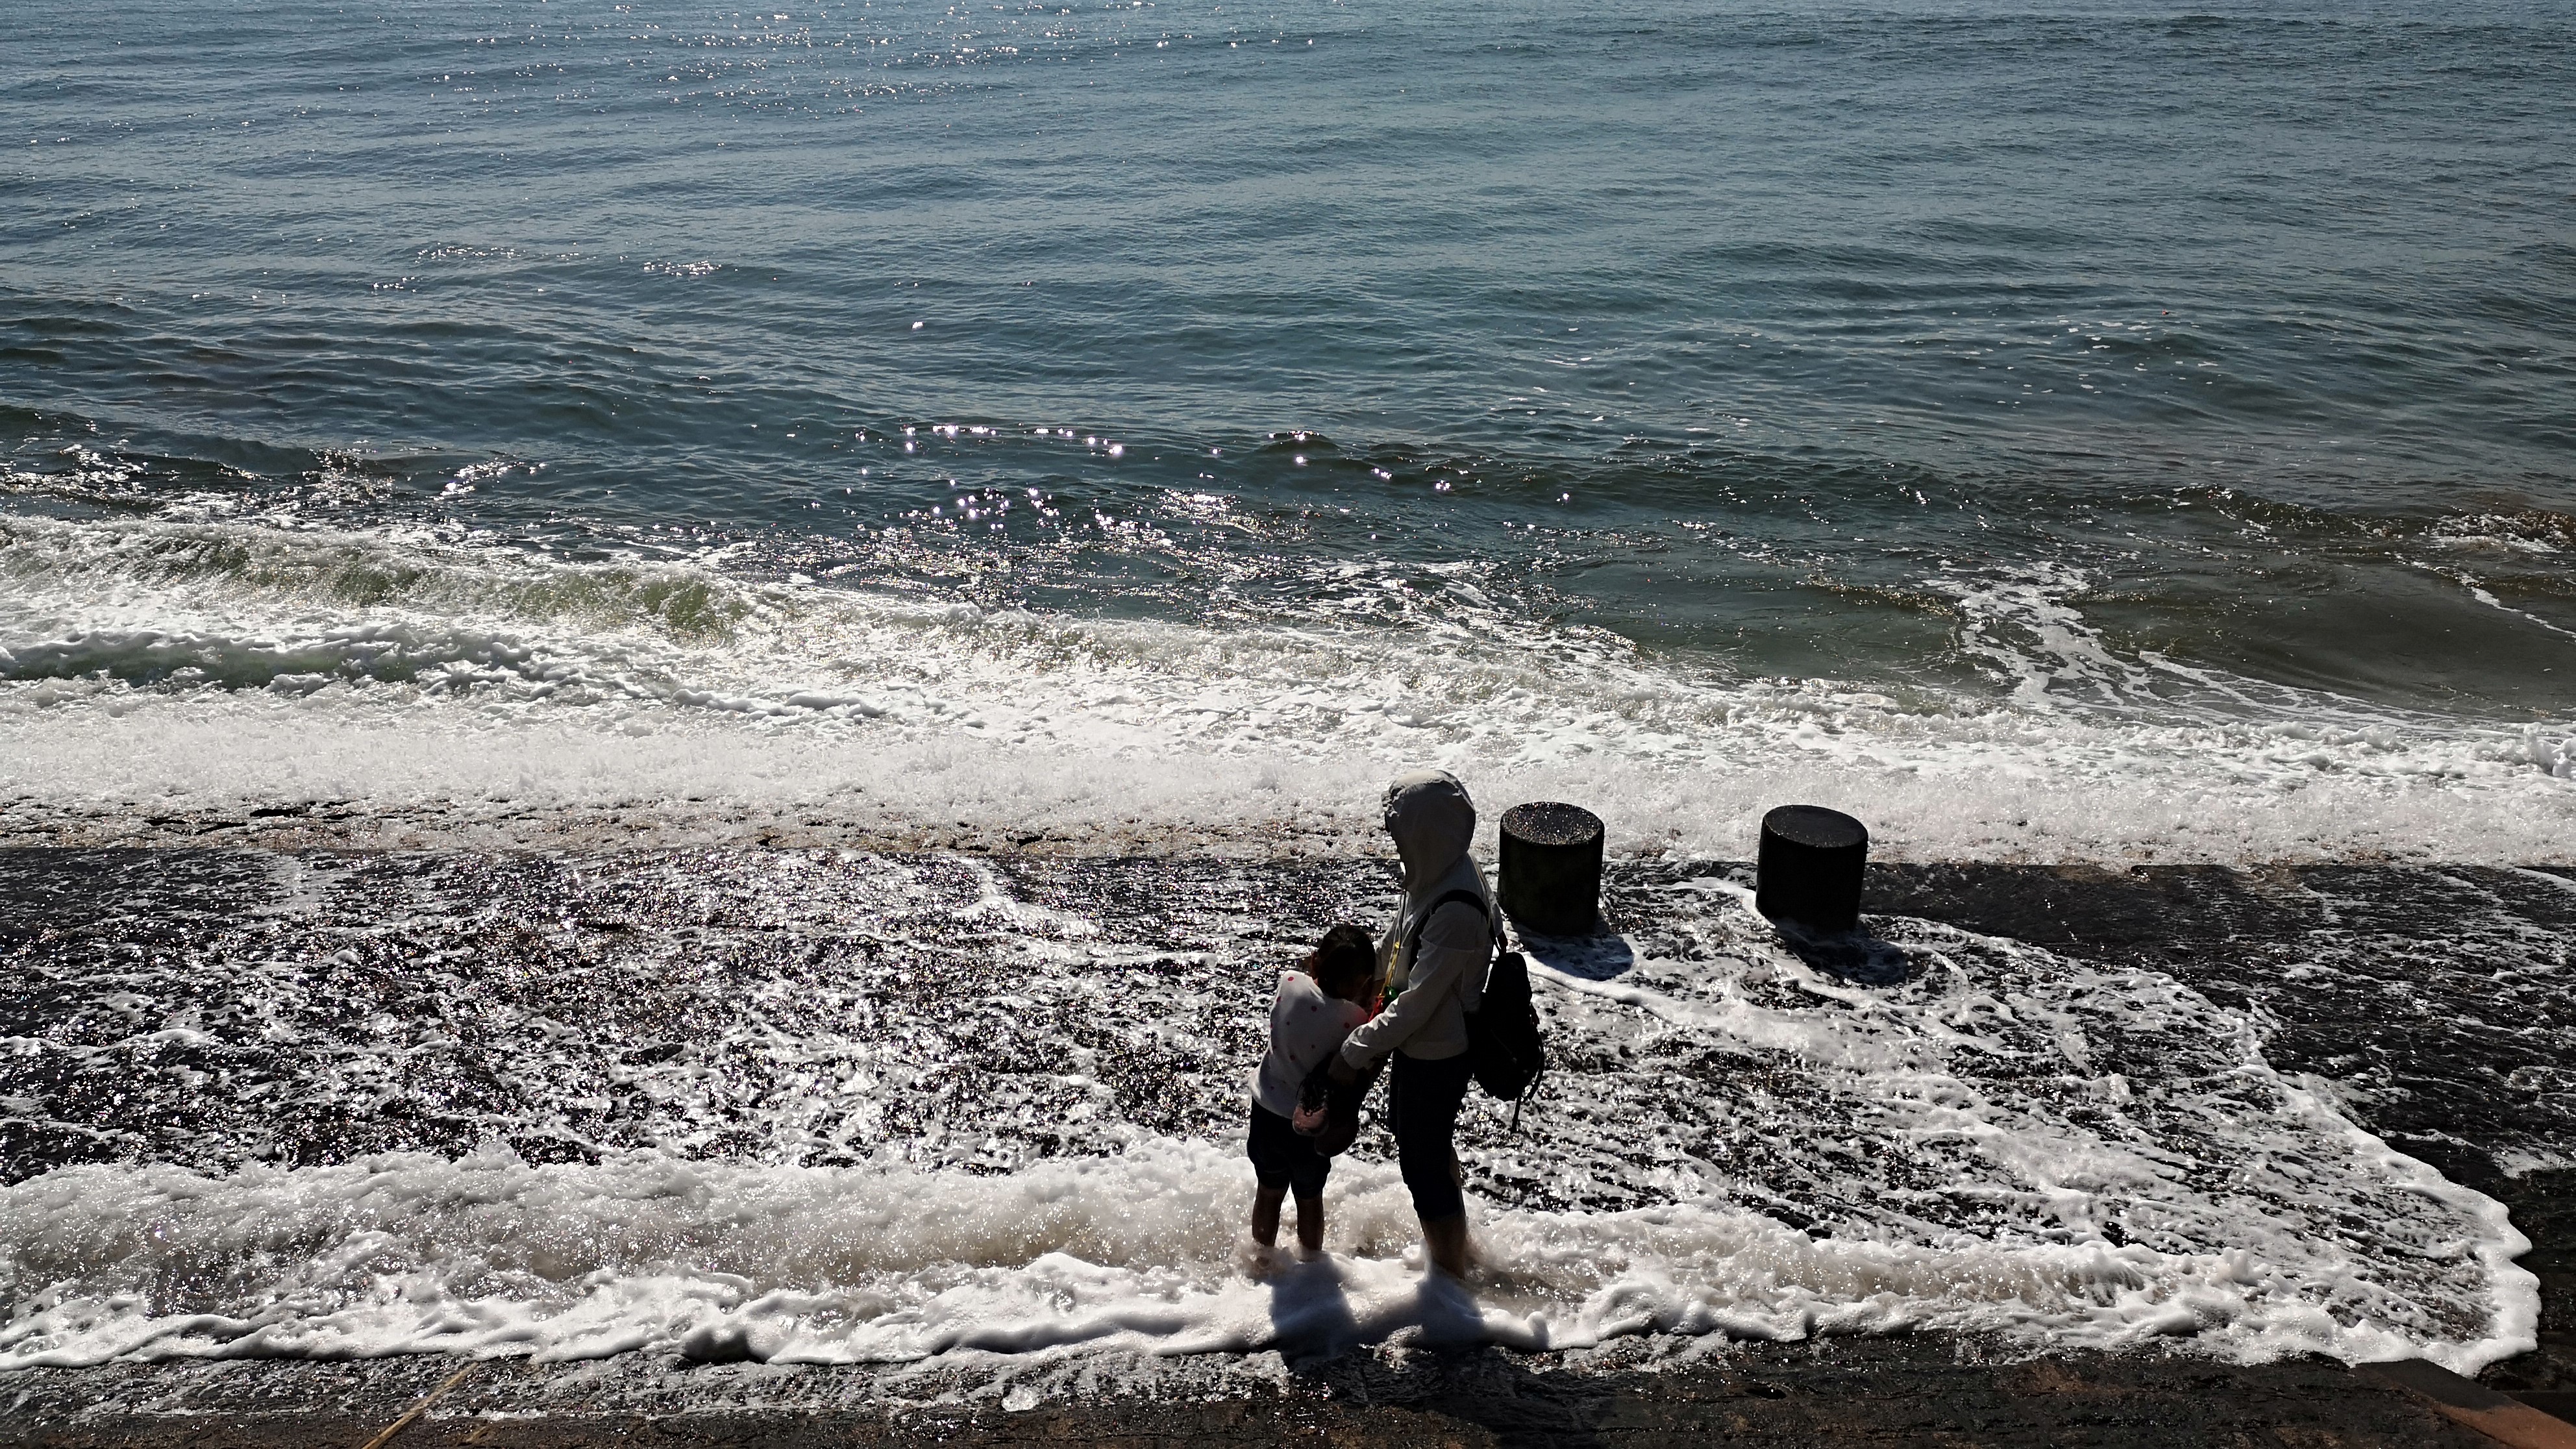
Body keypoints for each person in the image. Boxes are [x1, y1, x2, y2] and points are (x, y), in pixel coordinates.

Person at [1330, 769, 1491, 1280]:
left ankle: (1450, 1276)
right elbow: (1395, 941)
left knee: (1421, 1167)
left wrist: (1353, 1048)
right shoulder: (1435, 872)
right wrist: (1348, 986)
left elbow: (1418, 1004)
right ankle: (1457, 1250)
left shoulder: (1457, 907)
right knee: (1421, 1141)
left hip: (1439, 1052)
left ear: (1425, 834)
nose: (1394, 840)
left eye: (1401, 831)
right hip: (1418, 1045)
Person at [1246, 923, 1377, 1257]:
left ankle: (1262, 1260)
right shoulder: (1354, 1020)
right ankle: (1310, 1266)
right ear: (1360, 985)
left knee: (1269, 1192)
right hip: (1309, 1123)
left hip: (1266, 1112)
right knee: (1309, 1199)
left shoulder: (1289, 984)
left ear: (1316, 964)